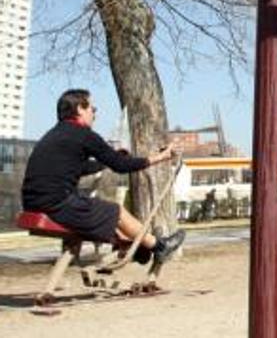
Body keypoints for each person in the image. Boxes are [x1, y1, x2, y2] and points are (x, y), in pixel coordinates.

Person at [21, 89, 186, 265]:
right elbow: (121, 166)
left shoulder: (53, 135)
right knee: (116, 212)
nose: (95, 114)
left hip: (34, 202)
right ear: (79, 109)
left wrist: (106, 161)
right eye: (93, 109)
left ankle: (136, 245)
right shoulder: (84, 134)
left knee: (102, 212)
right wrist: (161, 157)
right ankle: (160, 247)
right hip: (57, 205)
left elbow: (79, 167)